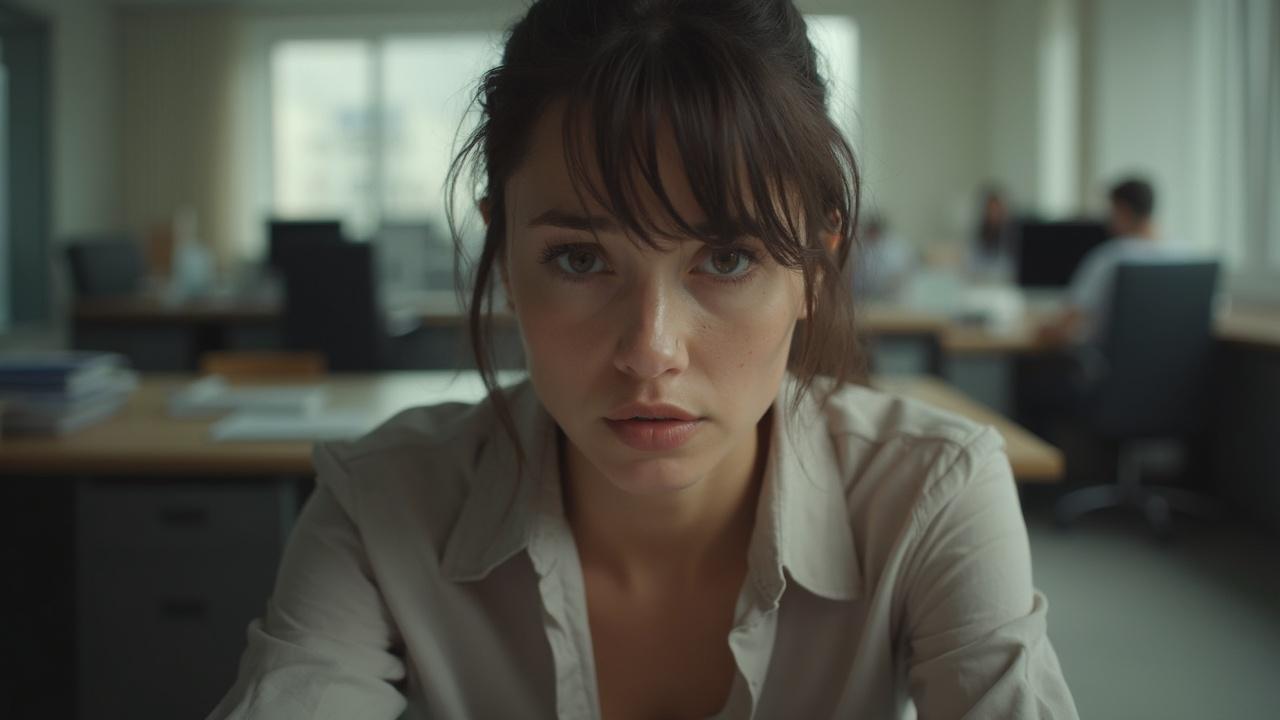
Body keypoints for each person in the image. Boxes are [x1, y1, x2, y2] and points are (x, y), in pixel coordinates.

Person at [209, 1, 1077, 718]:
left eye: (728, 259)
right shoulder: (382, 503)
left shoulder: (931, 491)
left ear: (814, 268)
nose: (650, 353)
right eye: (580, 260)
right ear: (506, 256)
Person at [1038, 177, 1176, 346]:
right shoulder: (1184, 258)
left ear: (1122, 210)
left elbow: (1067, 327)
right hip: (1173, 368)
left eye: (1110, 211)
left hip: (1109, 367)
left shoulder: (1109, 259)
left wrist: (1042, 329)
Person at [968, 185, 1018, 282]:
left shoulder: (1011, 234)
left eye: (997, 209)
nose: (994, 214)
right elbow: (973, 262)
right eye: (991, 209)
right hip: (983, 282)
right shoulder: (979, 234)